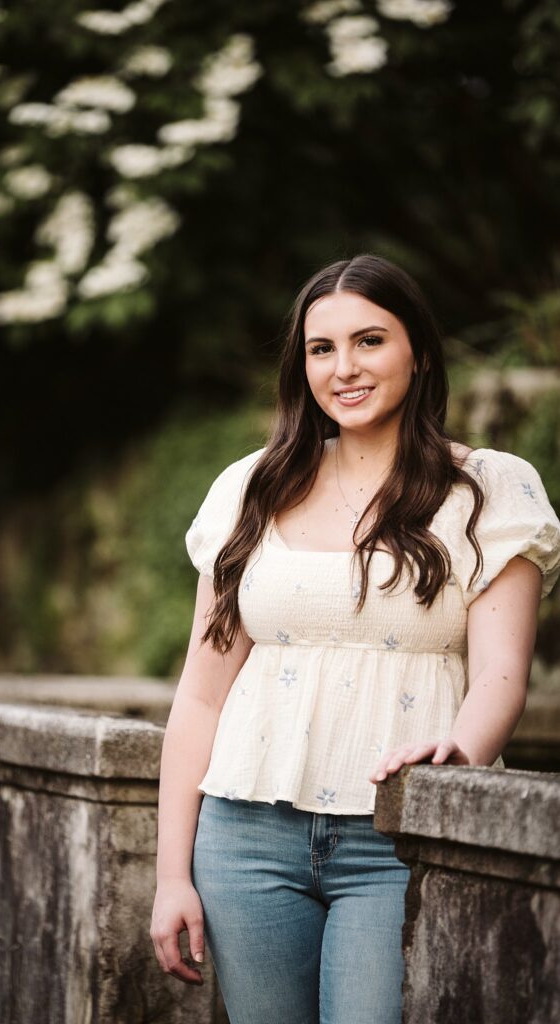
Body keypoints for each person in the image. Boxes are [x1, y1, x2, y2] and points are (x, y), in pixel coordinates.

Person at [149, 253, 560, 1024]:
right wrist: (172, 875)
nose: (344, 367)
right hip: (243, 838)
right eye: (320, 348)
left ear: (419, 353)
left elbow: (502, 678)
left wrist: (456, 759)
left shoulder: (489, 489)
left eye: (369, 340)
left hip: (398, 835)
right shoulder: (249, 488)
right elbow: (201, 697)